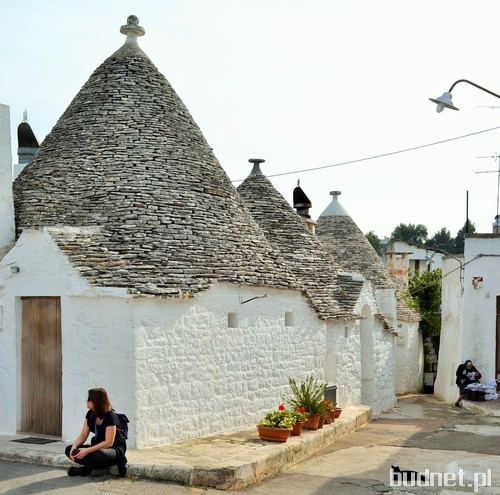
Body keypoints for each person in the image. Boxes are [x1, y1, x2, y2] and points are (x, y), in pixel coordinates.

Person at [65, 388, 127, 477]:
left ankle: (84, 470)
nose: (86, 401)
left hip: (114, 449)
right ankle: (100, 467)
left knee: (99, 454)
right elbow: (83, 434)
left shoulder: (110, 416)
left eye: (89, 399)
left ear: (96, 401)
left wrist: (87, 451)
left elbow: (109, 443)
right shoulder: (90, 414)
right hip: (97, 447)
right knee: (68, 449)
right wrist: (74, 447)